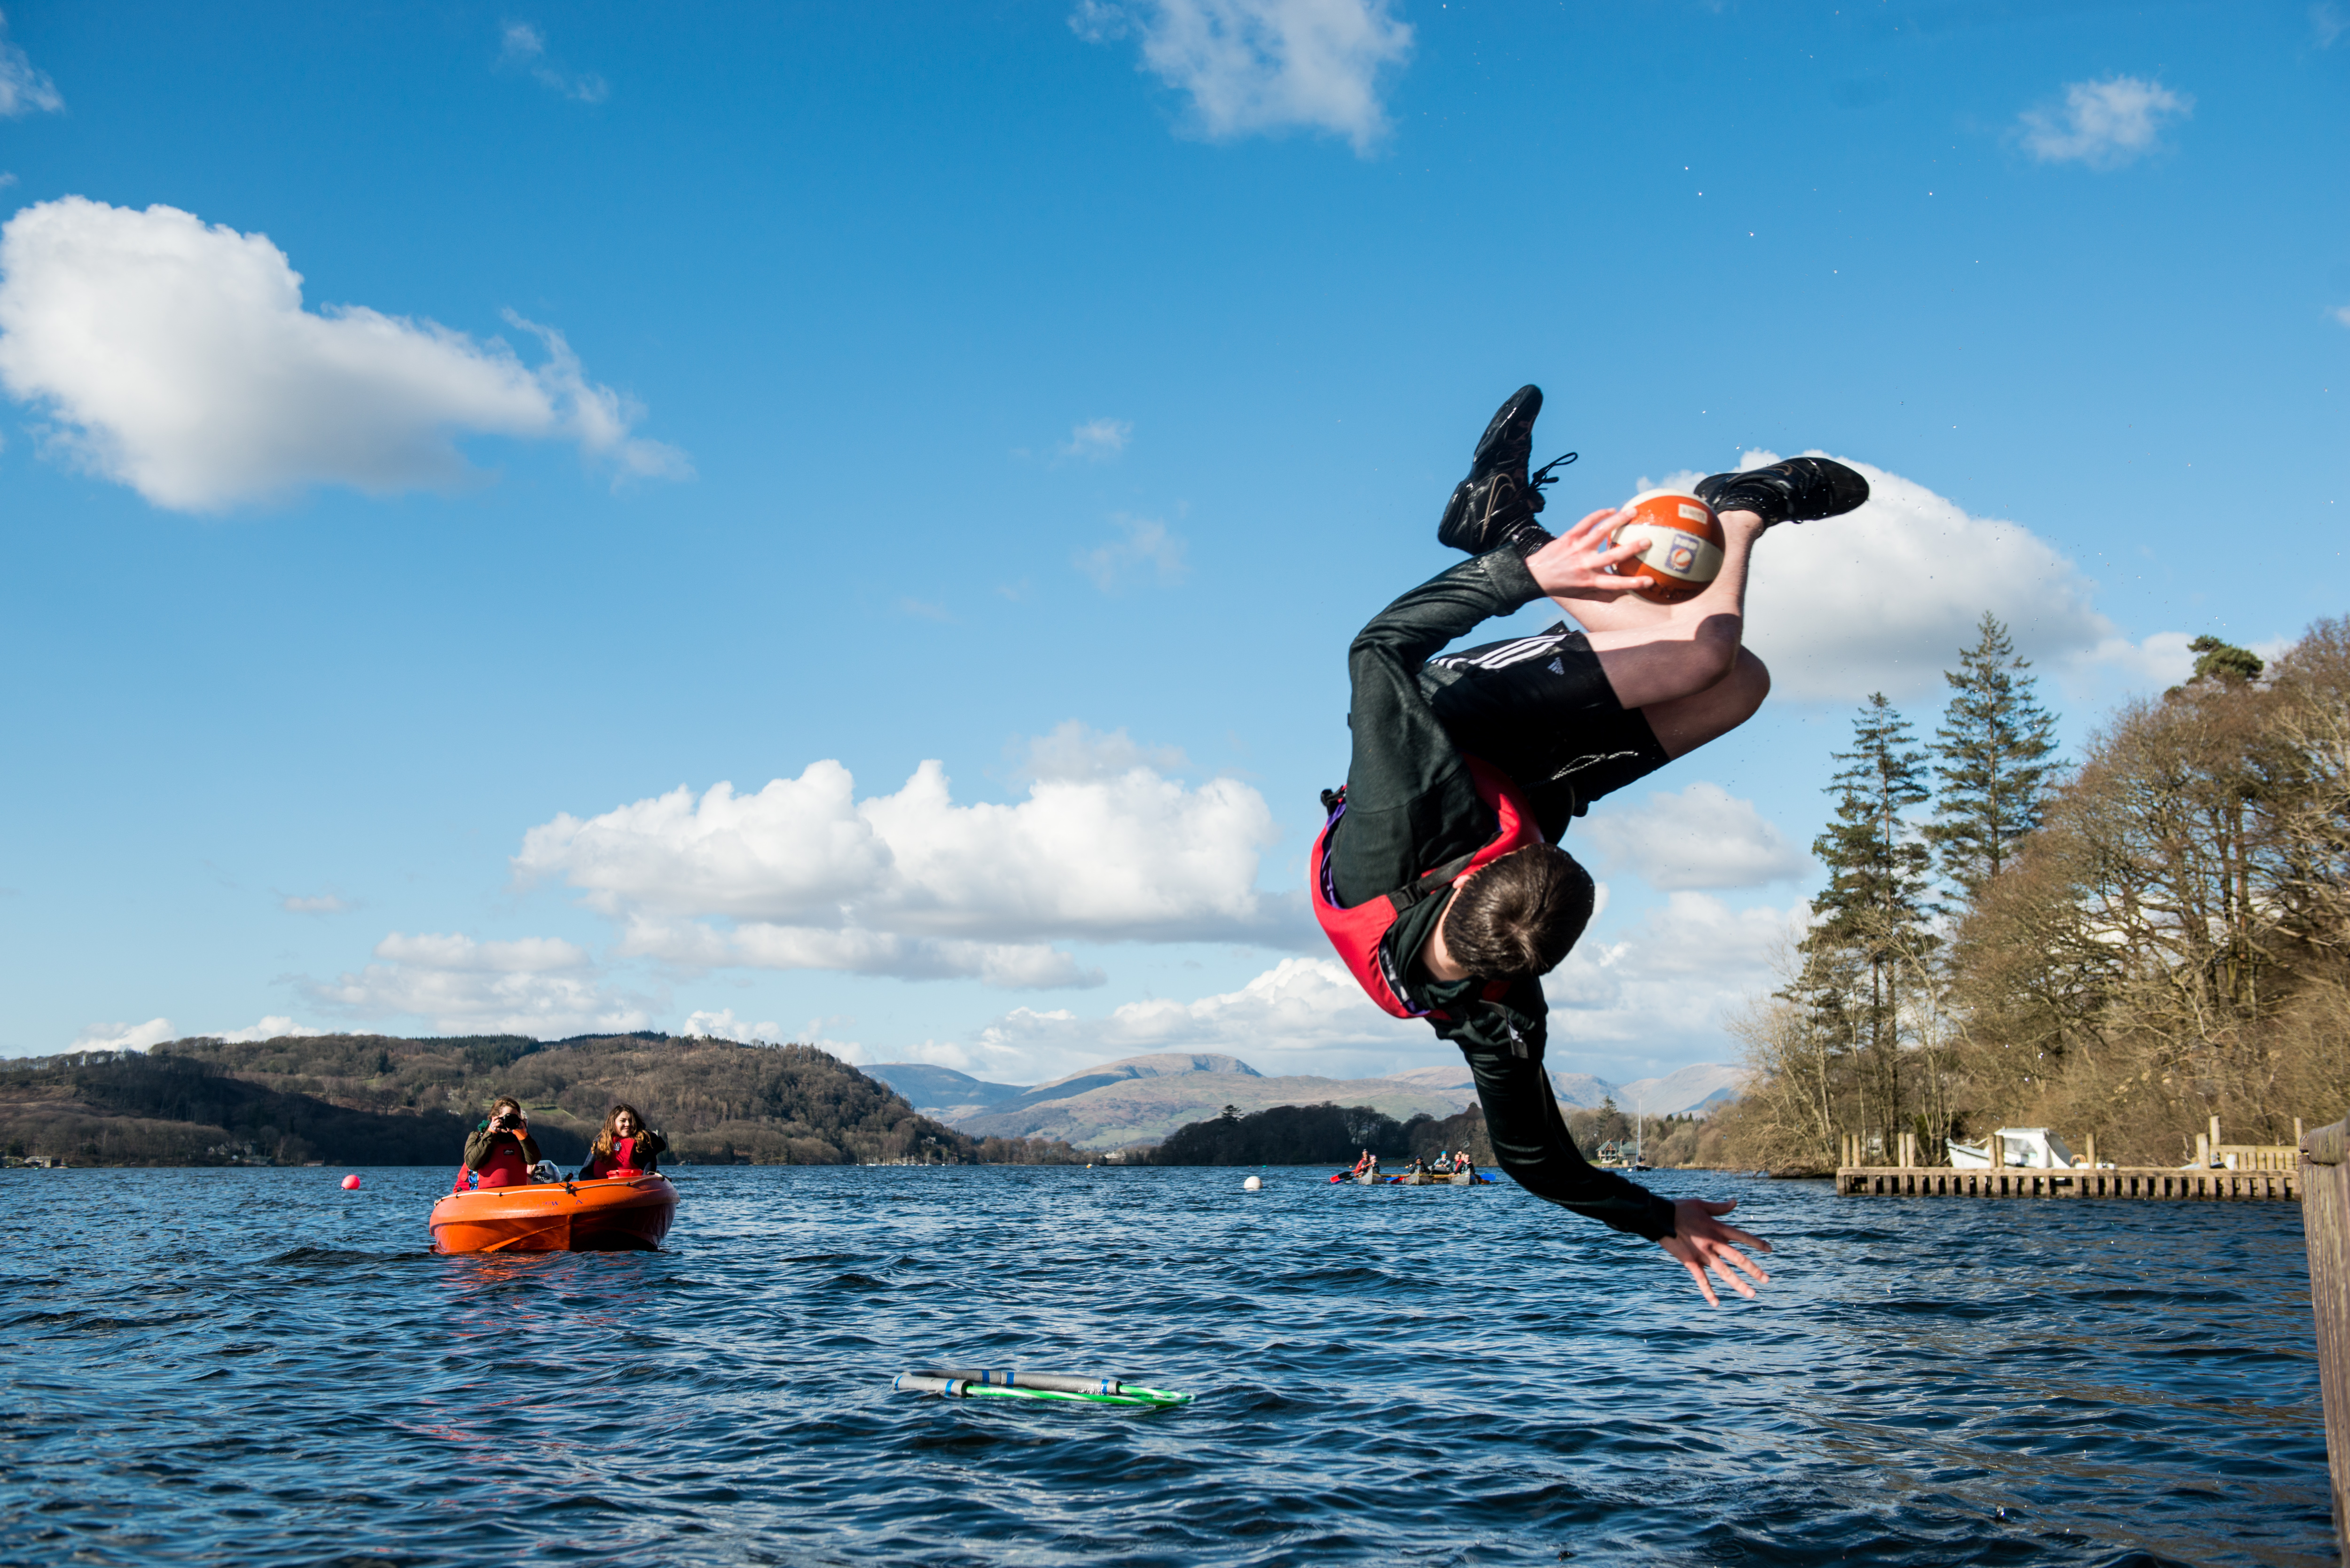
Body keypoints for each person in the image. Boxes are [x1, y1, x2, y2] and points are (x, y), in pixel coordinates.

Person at [1314, 384, 1869, 1305]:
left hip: (1454, 733)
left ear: (1471, 879)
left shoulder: (1392, 820)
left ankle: (1679, 516)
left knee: (1698, 659)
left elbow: (1375, 652)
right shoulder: (1498, 1014)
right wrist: (1656, 1218)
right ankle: (1559, 520)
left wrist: (1520, 584)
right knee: (1738, 684)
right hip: (1529, 791)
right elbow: (1536, 1160)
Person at [460, 1098, 541, 1190]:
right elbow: (472, 1164)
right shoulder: (478, 1136)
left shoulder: (520, 1138)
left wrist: (522, 1135)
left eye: (514, 1117)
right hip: (489, 1196)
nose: (510, 1121)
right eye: (507, 1117)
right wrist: (490, 1133)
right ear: (495, 1117)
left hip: (517, 1195)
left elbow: (534, 1160)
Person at [578, 1103, 668, 1180]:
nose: (628, 1124)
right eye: (623, 1121)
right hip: (600, 1191)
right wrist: (599, 1187)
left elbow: (648, 1177)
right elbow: (584, 1174)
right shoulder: (601, 1142)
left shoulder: (644, 1144)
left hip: (632, 1191)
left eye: (631, 1121)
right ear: (613, 1123)